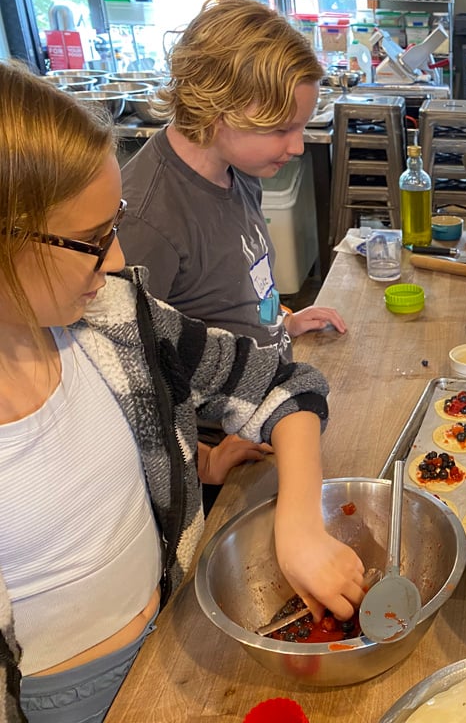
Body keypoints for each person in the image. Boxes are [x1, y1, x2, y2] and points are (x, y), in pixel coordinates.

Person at [0, 62, 365, 722]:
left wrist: (301, 523)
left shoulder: (114, 318)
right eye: (90, 240)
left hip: (174, 626)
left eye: (113, 226)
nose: (116, 261)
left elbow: (283, 383)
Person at [117, 0, 347, 501]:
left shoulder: (238, 170)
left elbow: (227, 282)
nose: (298, 145)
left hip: (263, 405)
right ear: (216, 109)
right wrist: (202, 462)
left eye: (302, 125)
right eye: (281, 129)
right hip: (217, 442)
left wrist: (280, 321)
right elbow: (129, 378)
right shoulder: (147, 221)